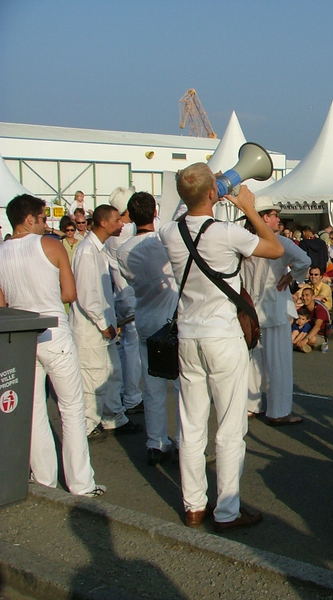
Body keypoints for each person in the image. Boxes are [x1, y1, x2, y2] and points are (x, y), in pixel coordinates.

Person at [159, 164, 284, 531]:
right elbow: (274, 248)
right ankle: (227, 510)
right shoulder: (227, 233)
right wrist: (248, 208)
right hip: (222, 336)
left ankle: (193, 505)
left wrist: (204, 191)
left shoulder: (169, 232)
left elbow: (187, 209)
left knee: (191, 425)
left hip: (188, 335)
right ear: (213, 194)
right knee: (229, 428)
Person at [0, 194, 105, 497]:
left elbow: (3, 302)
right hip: (54, 332)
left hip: (21, 335)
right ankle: (81, 483)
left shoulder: (3, 252)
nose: (47, 222)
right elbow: (70, 294)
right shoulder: (50, 245)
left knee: (33, 410)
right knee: (71, 409)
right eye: (43, 217)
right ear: (29, 219)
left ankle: (44, 478)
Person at [116, 192, 180, 465]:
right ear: (155, 212)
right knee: (181, 387)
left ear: (130, 215)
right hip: (170, 321)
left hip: (144, 320)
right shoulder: (163, 242)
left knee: (152, 387)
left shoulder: (122, 250)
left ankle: (156, 442)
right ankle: (185, 441)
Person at [70, 204, 136, 438]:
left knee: (111, 371)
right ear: (104, 222)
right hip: (91, 328)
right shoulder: (87, 251)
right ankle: (87, 425)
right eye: (117, 220)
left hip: (104, 324)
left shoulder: (99, 249)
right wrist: (102, 323)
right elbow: (87, 294)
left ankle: (113, 417)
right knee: (93, 378)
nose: (122, 224)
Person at [242, 204, 310, 425]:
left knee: (253, 359)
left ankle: (251, 406)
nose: (278, 220)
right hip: (273, 308)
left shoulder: (243, 239)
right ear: (263, 217)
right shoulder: (279, 242)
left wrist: (291, 276)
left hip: (250, 308)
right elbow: (305, 261)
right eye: (274, 216)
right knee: (278, 361)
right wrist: (292, 276)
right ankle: (278, 411)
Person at [105, 187, 142, 415]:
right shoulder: (126, 232)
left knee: (126, 349)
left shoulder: (114, 237)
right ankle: (132, 396)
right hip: (132, 298)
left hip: (121, 297)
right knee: (133, 352)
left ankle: (126, 394)